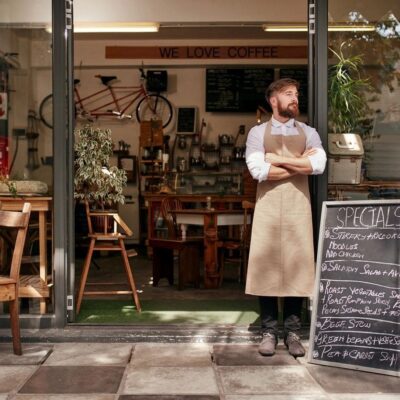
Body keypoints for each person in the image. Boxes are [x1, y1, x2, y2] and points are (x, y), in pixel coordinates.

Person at [245, 78, 327, 357]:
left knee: (297, 264)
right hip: (268, 208)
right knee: (265, 266)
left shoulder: (309, 132)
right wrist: (299, 164)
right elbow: (258, 171)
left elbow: (319, 164)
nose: (294, 98)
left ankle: (292, 331)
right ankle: (268, 330)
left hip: (297, 208)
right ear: (273, 101)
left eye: (296, 94)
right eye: (288, 94)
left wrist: (276, 160)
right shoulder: (257, 133)